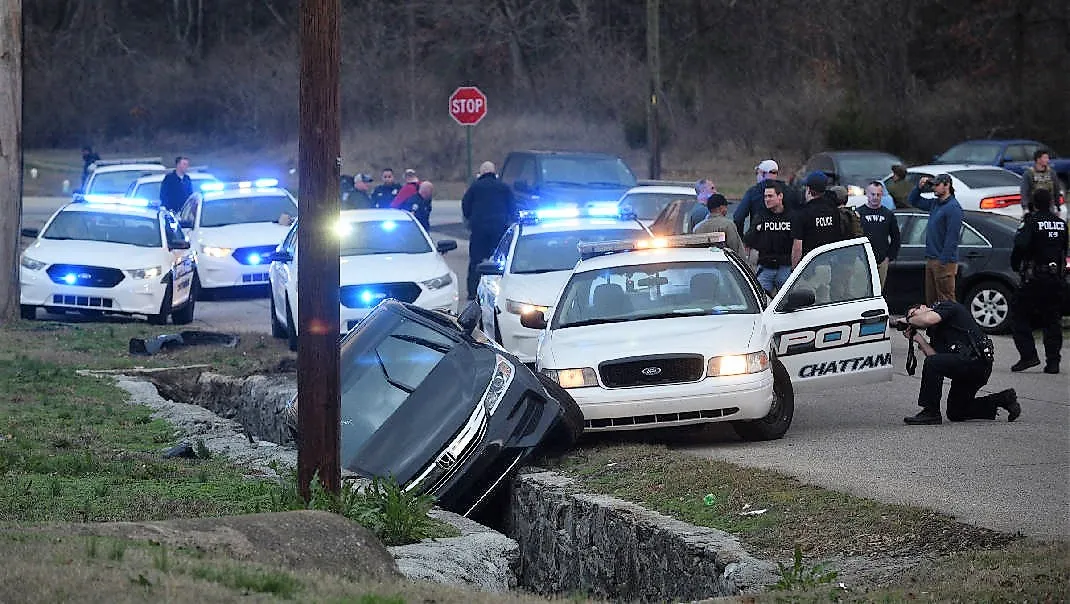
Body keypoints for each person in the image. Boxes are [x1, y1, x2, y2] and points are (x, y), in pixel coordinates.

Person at [895, 301, 1019, 425]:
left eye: (913, 315)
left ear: (923, 307)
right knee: (956, 412)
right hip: (965, 368)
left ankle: (930, 412)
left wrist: (906, 320)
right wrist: (919, 339)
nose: (914, 320)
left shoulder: (946, 307)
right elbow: (937, 360)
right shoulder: (935, 332)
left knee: (932, 363)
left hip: (976, 362)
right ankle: (1004, 399)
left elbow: (928, 319)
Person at [1009, 188, 1068, 374]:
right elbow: (1063, 250)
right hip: (1055, 279)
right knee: (1052, 320)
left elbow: (1020, 245)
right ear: (1050, 203)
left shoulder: (1032, 222)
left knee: (1019, 315)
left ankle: (1028, 355)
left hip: (1034, 279)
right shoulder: (1061, 224)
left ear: (1033, 204)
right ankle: (1053, 362)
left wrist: (1016, 265)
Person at [462, 161, 517, 300]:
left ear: (481, 173)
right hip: (499, 229)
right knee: (500, 260)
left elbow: (465, 205)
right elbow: (512, 207)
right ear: (494, 173)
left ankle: (473, 291)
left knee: (476, 261)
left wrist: (471, 220)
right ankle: (500, 290)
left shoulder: (475, 187)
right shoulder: (503, 187)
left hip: (479, 230)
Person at [909, 173, 962, 304]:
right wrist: (919, 187)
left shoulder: (953, 208)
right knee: (932, 301)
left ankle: (950, 325)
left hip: (944, 261)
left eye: (937, 185)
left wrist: (943, 261)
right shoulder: (935, 204)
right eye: (933, 185)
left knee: (946, 300)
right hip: (932, 259)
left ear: (947, 185)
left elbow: (952, 238)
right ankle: (934, 325)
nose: (934, 188)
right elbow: (913, 201)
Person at [744, 181, 795, 295]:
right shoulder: (761, 216)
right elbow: (748, 240)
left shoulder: (791, 216)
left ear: (780, 196)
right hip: (766, 266)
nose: (767, 199)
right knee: (759, 298)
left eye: (770, 196)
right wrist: (757, 229)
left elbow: (797, 242)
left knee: (788, 299)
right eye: (765, 196)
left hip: (785, 267)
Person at [857, 181, 901, 290]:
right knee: (861, 291)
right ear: (867, 194)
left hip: (881, 260)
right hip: (862, 261)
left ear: (882, 195)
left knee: (878, 291)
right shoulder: (859, 213)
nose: (875, 197)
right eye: (872, 194)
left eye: (878, 195)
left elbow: (896, 238)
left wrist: (889, 257)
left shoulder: (888, 214)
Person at [1020, 149, 1063, 214]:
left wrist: (1058, 207)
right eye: (1045, 158)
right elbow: (1024, 191)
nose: (1047, 160)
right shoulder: (1029, 173)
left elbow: (1056, 190)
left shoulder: (1051, 173)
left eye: (1048, 158)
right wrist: (1025, 208)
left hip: (1050, 208)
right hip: (1034, 209)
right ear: (1038, 159)